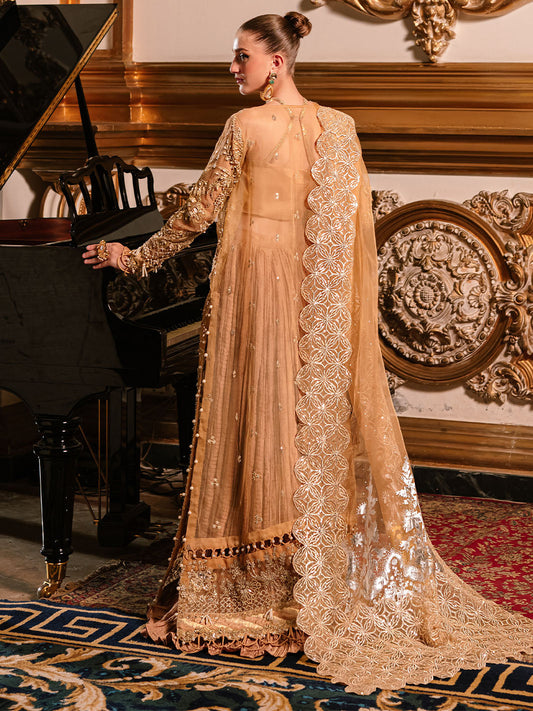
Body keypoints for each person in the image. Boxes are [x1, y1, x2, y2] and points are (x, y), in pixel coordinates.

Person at [83, 12, 533, 695]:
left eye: (242, 56)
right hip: (309, 296)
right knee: (297, 426)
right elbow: (352, 232)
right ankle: (303, 572)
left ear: (277, 61)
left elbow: (196, 213)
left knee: (249, 417)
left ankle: (248, 579)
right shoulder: (339, 127)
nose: (231, 67)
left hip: (251, 290)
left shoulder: (244, 127)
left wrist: (131, 257)